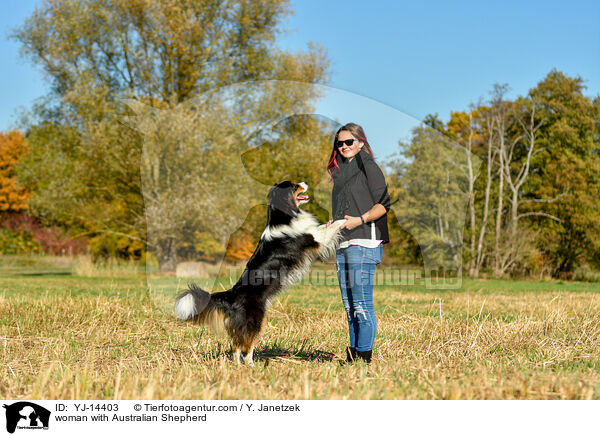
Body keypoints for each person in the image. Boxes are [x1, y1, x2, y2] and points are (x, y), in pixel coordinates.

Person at [325, 122, 391, 364]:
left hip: (364, 242)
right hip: (344, 243)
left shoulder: (369, 167)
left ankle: (364, 359)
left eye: (349, 142)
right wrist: (335, 223)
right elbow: (348, 210)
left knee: (361, 305)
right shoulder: (341, 174)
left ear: (361, 142)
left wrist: (360, 220)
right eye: (339, 143)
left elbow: (383, 205)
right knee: (349, 305)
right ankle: (352, 357)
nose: (344, 146)